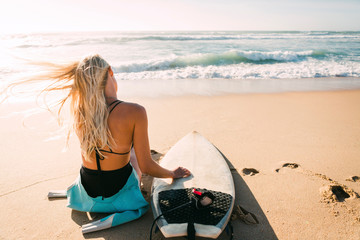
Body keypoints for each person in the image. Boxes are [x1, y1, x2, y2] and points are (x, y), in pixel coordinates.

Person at [7, 54, 191, 233]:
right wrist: (171, 173)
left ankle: (74, 193)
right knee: (134, 156)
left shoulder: (80, 110)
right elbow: (147, 166)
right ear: (110, 71)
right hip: (118, 193)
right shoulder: (135, 111)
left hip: (87, 192)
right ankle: (114, 213)